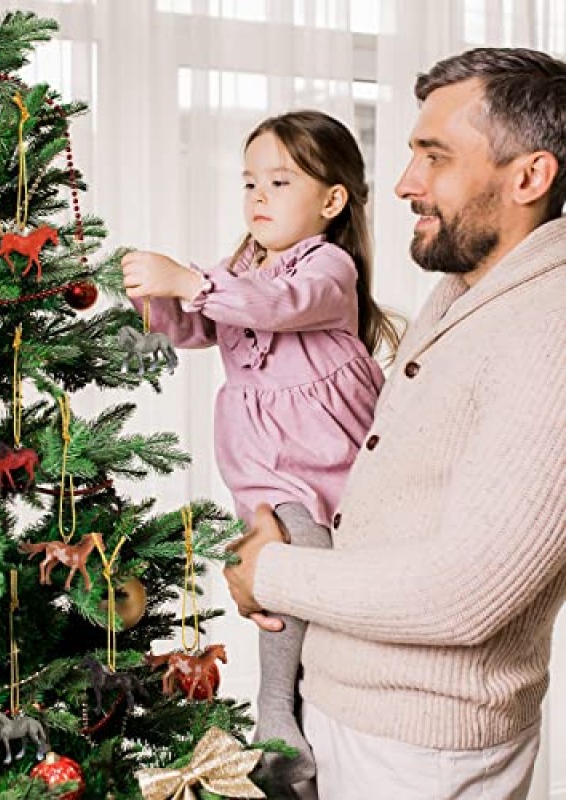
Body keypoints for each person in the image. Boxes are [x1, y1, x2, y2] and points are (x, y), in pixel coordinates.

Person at [224, 46, 566, 800]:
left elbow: (468, 592)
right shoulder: (465, 292)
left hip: (420, 749)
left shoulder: (552, 330)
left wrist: (271, 574)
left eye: (435, 157)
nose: (407, 184)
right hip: (348, 707)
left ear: (529, 177)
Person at [121, 110, 400, 797]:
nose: (258, 198)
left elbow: (279, 305)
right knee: (272, 570)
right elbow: (195, 326)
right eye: (249, 182)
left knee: (299, 569)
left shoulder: (328, 267)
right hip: (261, 460)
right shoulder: (240, 266)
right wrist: (154, 298)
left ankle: (279, 712)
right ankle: (286, 727)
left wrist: (189, 280)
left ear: (331, 202)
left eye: (279, 181)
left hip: (321, 453)